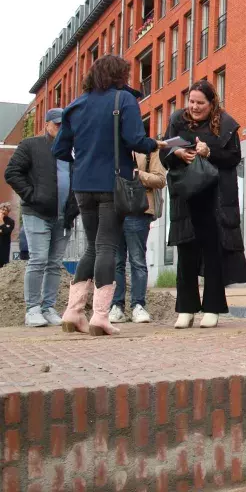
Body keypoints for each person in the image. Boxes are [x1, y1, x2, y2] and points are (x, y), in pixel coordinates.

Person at [52, 56, 165, 335]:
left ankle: (73, 311)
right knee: (106, 247)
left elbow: (59, 150)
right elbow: (136, 140)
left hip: (82, 185)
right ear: (119, 76)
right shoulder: (123, 100)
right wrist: (155, 144)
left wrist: (84, 162)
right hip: (112, 183)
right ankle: (101, 315)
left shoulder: (75, 106)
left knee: (92, 246)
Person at [161, 79, 246, 329]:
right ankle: (186, 309)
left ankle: (212, 308)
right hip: (186, 197)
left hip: (215, 199)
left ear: (212, 104)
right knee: (186, 253)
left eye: (200, 103)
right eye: (191, 102)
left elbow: (233, 157)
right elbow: (164, 152)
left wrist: (208, 152)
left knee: (213, 254)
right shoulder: (178, 120)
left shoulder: (225, 124)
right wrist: (176, 153)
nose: (195, 107)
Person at [5, 108, 80, 327]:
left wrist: (74, 207)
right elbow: (12, 173)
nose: (62, 128)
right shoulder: (31, 145)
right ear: (47, 125)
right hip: (37, 213)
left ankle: (48, 307)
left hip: (63, 217)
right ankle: (32, 309)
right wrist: (32, 195)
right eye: (57, 124)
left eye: (65, 125)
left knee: (55, 263)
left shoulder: (73, 150)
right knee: (38, 260)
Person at [110, 144, 166, 325]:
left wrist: (137, 174)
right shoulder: (111, 148)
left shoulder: (150, 150)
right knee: (117, 261)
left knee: (137, 260)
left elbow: (160, 180)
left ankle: (138, 306)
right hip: (115, 210)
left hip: (139, 211)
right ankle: (116, 306)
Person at [0, 203, 13, 269]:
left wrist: (1, 221)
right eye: (2, 209)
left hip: (4, 248)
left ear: (8, 212)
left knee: (3, 266)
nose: (3, 211)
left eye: (6, 210)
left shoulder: (11, 221)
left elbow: (7, 232)